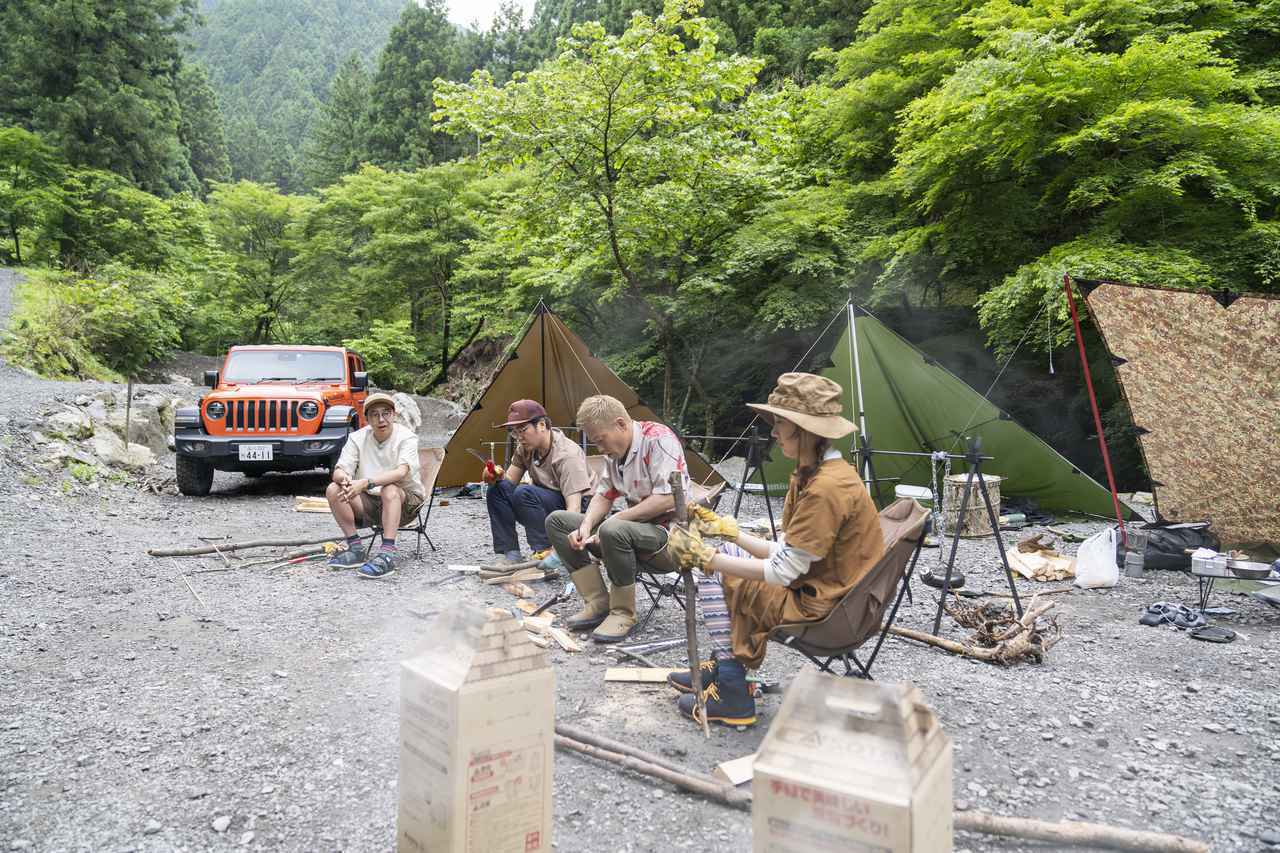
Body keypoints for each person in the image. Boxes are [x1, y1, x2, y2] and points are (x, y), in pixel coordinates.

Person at [664, 372, 884, 727]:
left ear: (806, 429)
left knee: (716, 571)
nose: (773, 431)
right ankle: (725, 667)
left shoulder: (826, 487)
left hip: (826, 609)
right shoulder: (825, 471)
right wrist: (730, 533)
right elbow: (791, 552)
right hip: (827, 592)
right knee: (728, 562)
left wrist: (707, 558)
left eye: (780, 422)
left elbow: (783, 571)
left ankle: (734, 690)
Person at [545, 394, 690, 643]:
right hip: (632, 533)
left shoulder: (659, 439)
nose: (600, 449)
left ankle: (623, 613)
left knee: (614, 528)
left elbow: (668, 498)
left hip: (671, 540)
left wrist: (617, 520)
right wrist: (586, 525)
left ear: (620, 424)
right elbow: (604, 494)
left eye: (601, 440)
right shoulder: (615, 454)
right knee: (557, 521)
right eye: (595, 443)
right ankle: (599, 603)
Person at [325, 392, 424, 580]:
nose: (381, 419)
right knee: (333, 489)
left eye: (386, 413)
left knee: (390, 489)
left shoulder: (406, 437)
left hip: (405, 504)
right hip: (371, 501)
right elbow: (339, 469)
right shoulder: (357, 438)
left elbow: (401, 472)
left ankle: (387, 553)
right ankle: (356, 549)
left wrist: (365, 482)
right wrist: (344, 479)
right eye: (374, 414)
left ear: (394, 415)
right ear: (367, 418)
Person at [484, 400, 596, 566]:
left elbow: (574, 509)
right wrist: (493, 476)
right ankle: (510, 553)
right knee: (497, 490)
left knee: (524, 493)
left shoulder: (567, 455)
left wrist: (561, 550)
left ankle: (546, 550)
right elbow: (508, 483)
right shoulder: (526, 447)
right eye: (515, 433)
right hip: (543, 501)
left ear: (542, 425)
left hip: (582, 510)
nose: (519, 437)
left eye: (523, 430)